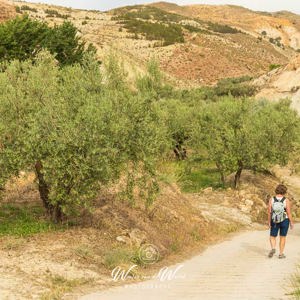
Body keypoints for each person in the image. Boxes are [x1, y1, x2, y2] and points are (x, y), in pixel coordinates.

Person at [268, 184, 294, 258]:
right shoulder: (286, 200)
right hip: (285, 220)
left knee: (272, 236)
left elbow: (269, 212)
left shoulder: (271, 199)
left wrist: (269, 222)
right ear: (284, 192)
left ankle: (273, 248)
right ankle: (281, 254)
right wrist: (291, 222)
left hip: (274, 220)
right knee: (283, 237)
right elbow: (289, 213)